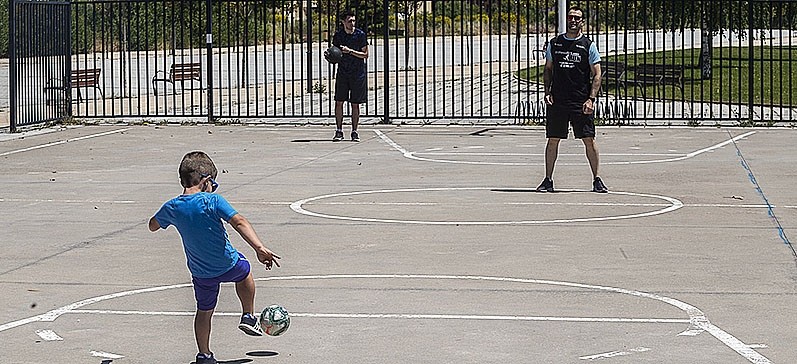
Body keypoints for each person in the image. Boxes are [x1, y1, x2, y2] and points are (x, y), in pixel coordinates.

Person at [148, 151, 281, 364]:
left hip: (201, 273)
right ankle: (248, 315)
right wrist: (259, 247)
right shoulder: (212, 201)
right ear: (206, 181)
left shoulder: (172, 207)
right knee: (245, 271)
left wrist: (164, 218)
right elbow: (239, 222)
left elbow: (152, 225)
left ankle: (204, 355)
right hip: (227, 263)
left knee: (204, 311)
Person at [537, 6, 608, 193]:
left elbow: (597, 74)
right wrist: (547, 92)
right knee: (553, 139)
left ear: (582, 21)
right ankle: (548, 180)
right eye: (570, 17)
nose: (573, 20)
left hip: (580, 101)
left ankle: (597, 179)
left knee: (589, 139)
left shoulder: (588, 45)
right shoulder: (555, 43)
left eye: (577, 18)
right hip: (558, 100)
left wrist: (591, 99)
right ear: (566, 20)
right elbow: (548, 69)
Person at [330, 11, 369, 142]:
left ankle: (354, 131)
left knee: (355, 104)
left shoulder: (360, 35)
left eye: (353, 21)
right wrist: (330, 55)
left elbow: (365, 55)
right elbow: (334, 52)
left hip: (357, 73)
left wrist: (350, 51)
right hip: (343, 72)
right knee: (339, 102)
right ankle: (339, 130)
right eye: (349, 21)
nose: (352, 23)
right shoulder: (339, 36)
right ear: (343, 22)